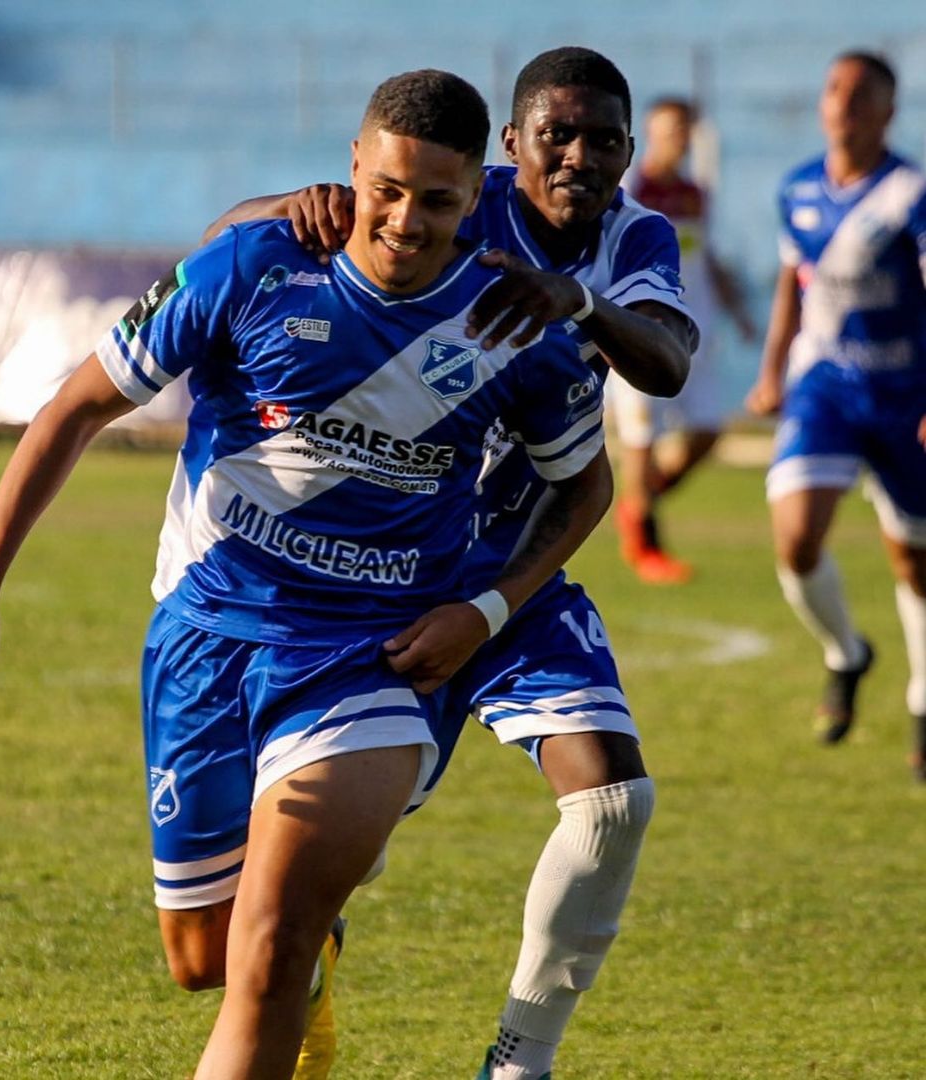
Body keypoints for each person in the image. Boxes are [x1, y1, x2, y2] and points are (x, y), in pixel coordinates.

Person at [0, 69, 618, 1080]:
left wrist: (488, 605)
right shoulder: (254, 267)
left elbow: (583, 487)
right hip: (205, 640)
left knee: (270, 947)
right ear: (352, 169)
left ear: (480, 195)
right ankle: (314, 966)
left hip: (367, 664)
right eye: (386, 190)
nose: (406, 222)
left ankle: (299, 959)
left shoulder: (510, 326)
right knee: (204, 959)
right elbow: (74, 409)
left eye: (438, 201)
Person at [203, 46, 697, 1080]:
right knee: (328, 871)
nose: (578, 154)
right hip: (384, 578)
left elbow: (665, 361)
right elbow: (228, 244)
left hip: (519, 564)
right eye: (555, 133)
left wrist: (578, 303)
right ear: (511, 148)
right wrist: (291, 205)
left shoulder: (635, 235)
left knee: (612, 800)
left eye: (604, 137)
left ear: (628, 151)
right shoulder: (460, 200)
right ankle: (312, 973)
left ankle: (519, 1063)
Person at [746, 51, 926, 779]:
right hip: (824, 387)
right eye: (834, 89)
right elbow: (793, 283)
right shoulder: (796, 189)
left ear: (888, 110)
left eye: (862, 94)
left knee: (914, 562)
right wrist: (770, 371)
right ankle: (847, 653)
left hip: (906, 397)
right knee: (795, 539)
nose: (844, 102)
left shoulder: (911, 194)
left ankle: (921, 702)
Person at [608, 95, 756, 584]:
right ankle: (645, 544)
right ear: (649, 134)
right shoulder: (631, 189)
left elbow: (704, 257)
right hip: (639, 331)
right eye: (667, 130)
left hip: (694, 334)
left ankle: (637, 503)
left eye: (683, 130)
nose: (676, 139)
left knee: (708, 432)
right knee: (642, 439)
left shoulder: (695, 194)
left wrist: (737, 311)